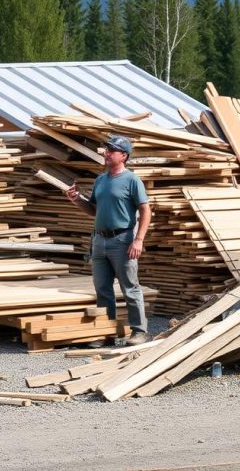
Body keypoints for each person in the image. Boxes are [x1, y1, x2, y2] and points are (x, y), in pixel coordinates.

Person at [66, 135, 152, 346]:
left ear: (123, 156)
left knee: (130, 288)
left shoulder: (132, 180)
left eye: (111, 150)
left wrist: (138, 240)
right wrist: (77, 200)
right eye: (106, 149)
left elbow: (145, 210)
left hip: (122, 240)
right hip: (100, 241)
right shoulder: (101, 180)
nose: (106, 153)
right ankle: (107, 333)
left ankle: (139, 331)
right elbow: (93, 210)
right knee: (102, 289)